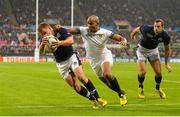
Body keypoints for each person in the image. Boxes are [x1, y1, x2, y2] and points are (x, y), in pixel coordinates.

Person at [38, 23, 107, 109]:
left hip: (71, 57)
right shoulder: (45, 39)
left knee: (81, 76)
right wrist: (42, 45)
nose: (45, 35)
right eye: (42, 34)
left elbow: (71, 40)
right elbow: (41, 51)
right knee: (76, 87)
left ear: (49, 28)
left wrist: (60, 43)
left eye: (45, 32)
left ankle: (98, 98)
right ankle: (92, 99)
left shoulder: (60, 30)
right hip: (61, 64)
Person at [68, 15, 128, 106]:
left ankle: (121, 95)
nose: (89, 25)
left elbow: (119, 38)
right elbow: (70, 31)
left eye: (91, 23)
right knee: (109, 85)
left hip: (104, 56)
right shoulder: (83, 30)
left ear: (97, 23)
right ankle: (120, 91)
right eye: (88, 23)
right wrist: (60, 30)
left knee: (107, 74)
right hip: (93, 61)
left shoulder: (105, 32)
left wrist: (123, 40)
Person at [130, 19, 172, 99]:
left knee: (158, 73)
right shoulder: (147, 28)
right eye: (155, 26)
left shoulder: (165, 36)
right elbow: (136, 29)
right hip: (142, 50)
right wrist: (132, 36)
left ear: (162, 27)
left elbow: (167, 50)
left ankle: (158, 88)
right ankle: (140, 87)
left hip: (153, 52)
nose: (156, 28)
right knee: (143, 72)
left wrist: (166, 63)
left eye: (158, 26)